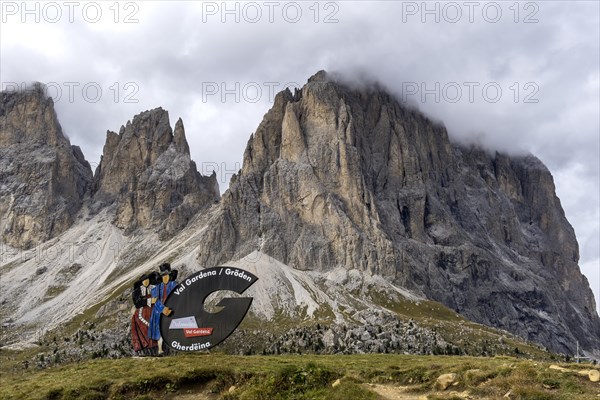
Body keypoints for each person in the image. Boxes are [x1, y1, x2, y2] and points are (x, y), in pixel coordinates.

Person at [149, 263, 178, 354]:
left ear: (170, 276)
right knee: (159, 330)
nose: (165, 278)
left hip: (172, 309)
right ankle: (160, 349)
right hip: (159, 311)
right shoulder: (156, 288)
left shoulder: (174, 285)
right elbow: (155, 301)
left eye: (167, 276)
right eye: (163, 276)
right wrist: (162, 309)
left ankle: (174, 346)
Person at [130, 271, 159, 356]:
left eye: (147, 280)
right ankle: (146, 347)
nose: (146, 282)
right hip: (142, 310)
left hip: (153, 308)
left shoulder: (154, 287)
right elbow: (137, 303)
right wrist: (149, 301)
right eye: (144, 281)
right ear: (141, 282)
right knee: (142, 325)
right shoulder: (137, 292)